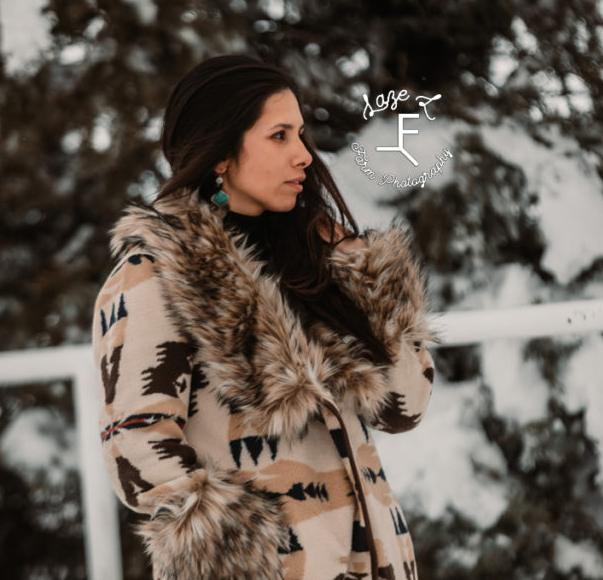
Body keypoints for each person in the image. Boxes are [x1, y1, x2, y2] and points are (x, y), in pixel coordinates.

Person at [91, 54, 439, 580]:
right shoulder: (154, 273)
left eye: (301, 134)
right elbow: (136, 441)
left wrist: (364, 276)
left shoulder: (315, 262)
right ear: (220, 152)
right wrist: (244, 551)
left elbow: (403, 409)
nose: (304, 154)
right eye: (279, 136)